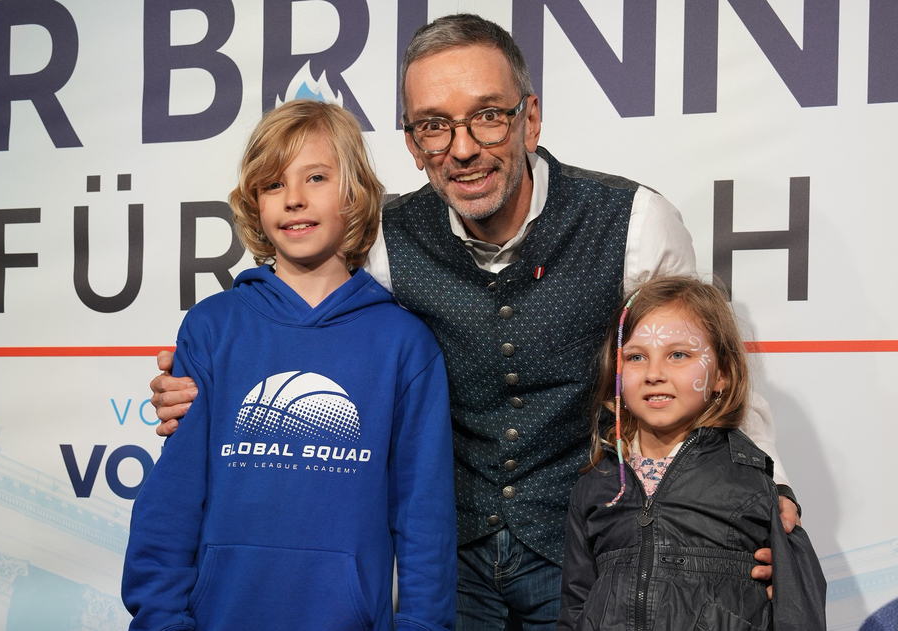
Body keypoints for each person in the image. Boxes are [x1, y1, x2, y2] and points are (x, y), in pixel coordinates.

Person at [149, 14, 801, 629]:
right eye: (434, 125)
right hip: (449, 561)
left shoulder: (634, 223)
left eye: (488, 116)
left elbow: (708, 363)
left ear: (530, 119)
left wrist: (764, 495)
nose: (462, 148)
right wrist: (201, 386)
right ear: (413, 143)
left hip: (585, 544)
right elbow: (299, 321)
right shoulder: (384, 240)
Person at [122, 99, 457, 631]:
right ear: (254, 203)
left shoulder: (404, 345)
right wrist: (162, 619)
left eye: (316, 177)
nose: (294, 198)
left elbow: (425, 521)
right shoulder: (213, 328)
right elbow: (173, 499)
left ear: (354, 193)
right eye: (273, 184)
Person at [557, 276, 826, 630]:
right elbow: (576, 607)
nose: (654, 373)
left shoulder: (753, 483)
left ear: (722, 374)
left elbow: (799, 612)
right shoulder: (597, 485)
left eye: (678, 355)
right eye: (636, 357)